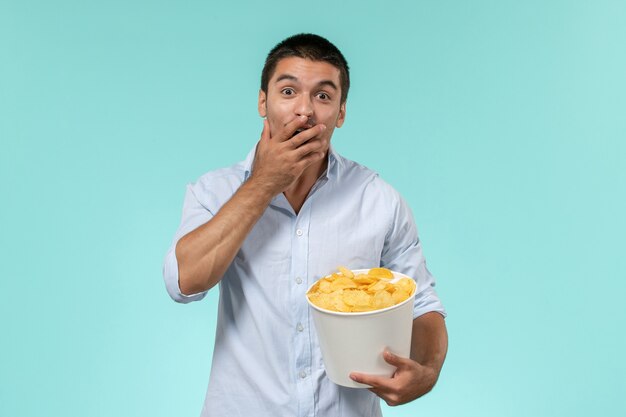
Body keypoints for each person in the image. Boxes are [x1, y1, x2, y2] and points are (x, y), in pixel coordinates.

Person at [163, 33, 448, 417]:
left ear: (341, 113)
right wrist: (265, 181)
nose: (305, 111)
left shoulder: (379, 200)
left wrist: (427, 371)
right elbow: (184, 282)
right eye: (288, 91)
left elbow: (423, 307)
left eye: (323, 96)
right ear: (263, 102)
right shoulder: (213, 192)